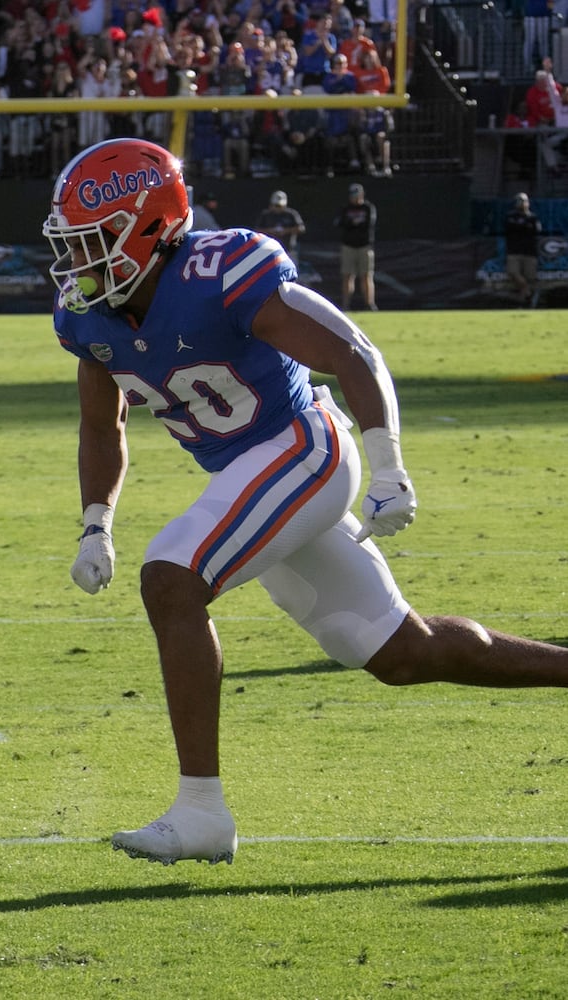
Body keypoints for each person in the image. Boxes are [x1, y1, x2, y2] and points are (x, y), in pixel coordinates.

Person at [43, 137, 568, 867]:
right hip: (251, 473)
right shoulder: (88, 320)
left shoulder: (221, 271)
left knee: (171, 576)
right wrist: (95, 524)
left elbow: (352, 351)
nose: (76, 262)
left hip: (306, 449)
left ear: (149, 228)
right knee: (395, 651)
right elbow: (103, 425)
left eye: (92, 241)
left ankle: (201, 813)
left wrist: (389, 466)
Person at [333, 182, 376, 310]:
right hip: (348, 246)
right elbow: (340, 223)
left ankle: (370, 304)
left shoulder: (368, 208)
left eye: (357, 195)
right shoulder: (345, 209)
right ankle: (346, 305)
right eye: (352, 195)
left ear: (362, 194)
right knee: (347, 276)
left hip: (364, 246)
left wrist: (352, 224)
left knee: (366, 276)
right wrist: (353, 223)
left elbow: (367, 224)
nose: (355, 198)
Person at [503, 192, 542, 307]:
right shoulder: (510, 216)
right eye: (520, 201)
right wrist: (523, 225)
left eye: (524, 201)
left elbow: (536, 230)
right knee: (513, 273)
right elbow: (510, 228)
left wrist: (524, 224)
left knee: (530, 278)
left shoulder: (532, 217)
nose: (522, 203)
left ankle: (524, 302)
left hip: (529, 252)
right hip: (514, 251)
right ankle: (527, 294)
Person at [255, 189, 305, 266]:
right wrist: (270, 231)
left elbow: (301, 228)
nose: (278, 208)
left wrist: (286, 231)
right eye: (276, 206)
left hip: (288, 249)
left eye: (280, 206)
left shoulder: (291, 214)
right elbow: (257, 230)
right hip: (269, 250)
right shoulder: (265, 215)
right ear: (271, 205)